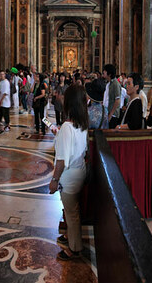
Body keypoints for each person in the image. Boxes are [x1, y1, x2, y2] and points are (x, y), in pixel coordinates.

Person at [49, 85, 89, 262]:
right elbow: (77, 148)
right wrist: (58, 134)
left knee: (72, 214)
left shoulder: (67, 126)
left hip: (69, 175)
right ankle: (69, 237)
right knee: (71, 210)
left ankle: (75, 248)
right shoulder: (82, 123)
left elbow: (62, 160)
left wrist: (54, 180)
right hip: (80, 171)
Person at [102, 64, 122, 128]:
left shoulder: (115, 84)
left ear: (109, 74)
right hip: (107, 112)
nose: (103, 72)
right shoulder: (109, 83)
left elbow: (117, 100)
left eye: (105, 71)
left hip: (113, 115)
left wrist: (111, 114)